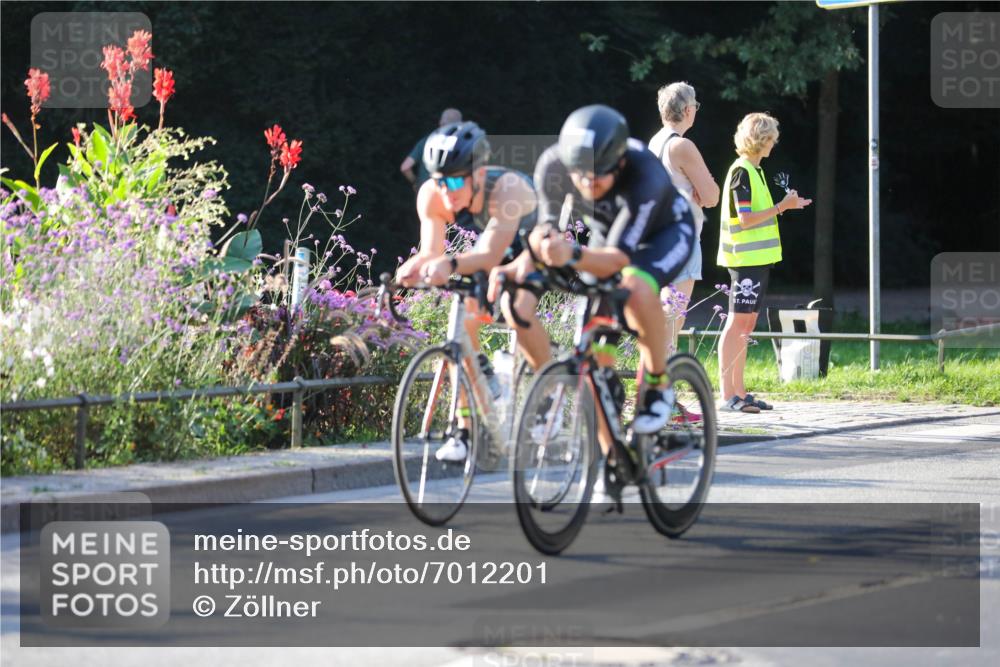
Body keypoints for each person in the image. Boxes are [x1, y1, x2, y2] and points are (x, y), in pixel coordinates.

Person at [530, 104, 695, 439]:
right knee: (594, 356)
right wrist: (540, 247)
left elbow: (618, 260)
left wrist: (572, 253)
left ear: (619, 162)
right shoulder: (553, 164)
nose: (589, 184)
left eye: (600, 175)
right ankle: (611, 468)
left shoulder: (645, 174)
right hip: (612, 232)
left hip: (665, 233)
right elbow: (545, 226)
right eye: (581, 176)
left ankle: (657, 384)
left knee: (635, 285)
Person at [395, 121, 552, 461]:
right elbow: (431, 251)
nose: (446, 191)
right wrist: (413, 269)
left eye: (454, 180)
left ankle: (549, 388)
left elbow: (491, 255)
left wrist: (447, 265)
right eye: (438, 180)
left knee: (517, 308)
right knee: (463, 325)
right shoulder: (432, 195)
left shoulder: (506, 188)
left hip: (530, 244)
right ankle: (464, 430)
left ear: (478, 173)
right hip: (489, 247)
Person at [717, 112, 811, 413]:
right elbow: (745, 220)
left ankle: (740, 392)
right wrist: (782, 206)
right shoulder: (742, 171)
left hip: (757, 261)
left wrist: (785, 207)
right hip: (744, 261)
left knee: (746, 325)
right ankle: (728, 395)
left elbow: (757, 214)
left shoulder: (754, 171)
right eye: (771, 138)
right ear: (760, 140)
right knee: (736, 324)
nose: (774, 143)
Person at [648, 82, 719, 355]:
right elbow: (712, 196)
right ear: (688, 110)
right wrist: (700, 191)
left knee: (660, 314)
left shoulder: (654, 142)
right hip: (682, 237)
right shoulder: (682, 146)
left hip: (655, 236)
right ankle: (662, 388)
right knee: (672, 318)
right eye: (696, 107)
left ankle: (653, 383)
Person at [399, 108, 463, 191]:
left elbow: (405, 167)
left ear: (440, 122)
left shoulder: (426, 142)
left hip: (426, 196)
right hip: (450, 196)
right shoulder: (462, 145)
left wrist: (416, 182)